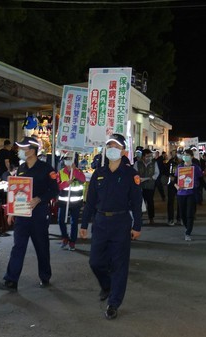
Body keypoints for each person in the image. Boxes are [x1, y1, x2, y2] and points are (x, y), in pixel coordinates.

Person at [79, 133, 143, 320]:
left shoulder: (131, 174)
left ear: (123, 151)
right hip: (100, 223)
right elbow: (90, 202)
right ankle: (106, 286)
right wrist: (84, 224)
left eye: (115, 145)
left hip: (121, 223)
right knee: (95, 262)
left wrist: (137, 226)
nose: (111, 148)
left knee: (119, 265)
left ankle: (114, 303)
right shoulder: (99, 173)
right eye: (109, 145)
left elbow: (136, 203)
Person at [0, 136, 59, 292]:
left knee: (41, 247)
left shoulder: (46, 169)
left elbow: (55, 190)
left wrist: (39, 199)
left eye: (23, 149)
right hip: (22, 215)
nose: (20, 151)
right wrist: (12, 211)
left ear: (31, 150)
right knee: (18, 247)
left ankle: (45, 276)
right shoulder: (22, 168)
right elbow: (16, 190)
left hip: (39, 215)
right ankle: (11, 280)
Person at [57, 153, 86, 251]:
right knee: (61, 220)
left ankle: (72, 241)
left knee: (74, 222)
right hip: (63, 201)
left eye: (70, 158)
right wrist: (66, 183)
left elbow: (83, 180)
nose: (68, 160)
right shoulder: (60, 172)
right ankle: (65, 237)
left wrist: (75, 172)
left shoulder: (78, 171)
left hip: (76, 202)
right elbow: (57, 186)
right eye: (66, 158)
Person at [175, 149, 204, 241]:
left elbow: (201, 180)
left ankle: (188, 232)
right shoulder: (179, 167)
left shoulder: (196, 168)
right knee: (182, 214)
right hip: (181, 193)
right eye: (184, 155)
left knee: (189, 214)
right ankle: (187, 227)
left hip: (191, 193)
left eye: (187, 155)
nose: (185, 157)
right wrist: (176, 186)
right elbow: (174, 180)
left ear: (192, 156)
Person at [133, 148, 159, 225]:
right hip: (140, 186)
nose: (149, 158)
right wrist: (138, 179)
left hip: (150, 185)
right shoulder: (137, 163)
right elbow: (134, 173)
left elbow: (157, 173)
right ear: (143, 156)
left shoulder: (154, 163)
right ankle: (139, 218)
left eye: (150, 156)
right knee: (140, 202)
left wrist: (150, 178)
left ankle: (151, 218)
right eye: (147, 156)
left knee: (150, 202)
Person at [166, 149, 182, 226]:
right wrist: (169, 176)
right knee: (170, 202)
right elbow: (165, 170)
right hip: (172, 184)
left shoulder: (184, 163)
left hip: (181, 184)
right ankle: (170, 219)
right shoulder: (171, 162)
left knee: (180, 202)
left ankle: (179, 218)